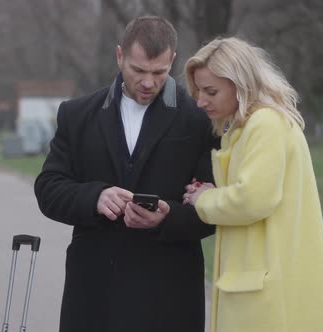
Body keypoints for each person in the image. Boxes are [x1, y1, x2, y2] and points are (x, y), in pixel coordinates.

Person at [34, 16, 218, 332]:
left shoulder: (200, 119)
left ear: (173, 61)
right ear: (120, 57)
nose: (148, 82)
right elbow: (48, 188)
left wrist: (168, 216)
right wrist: (95, 196)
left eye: (160, 72)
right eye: (138, 70)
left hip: (170, 293)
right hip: (93, 291)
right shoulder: (76, 114)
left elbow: (217, 203)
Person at [182, 37, 323, 332]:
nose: (201, 101)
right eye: (198, 91)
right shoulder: (252, 126)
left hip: (267, 294)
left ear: (239, 83)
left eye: (210, 91)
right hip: (261, 285)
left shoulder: (265, 124)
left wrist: (204, 198)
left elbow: (252, 199)